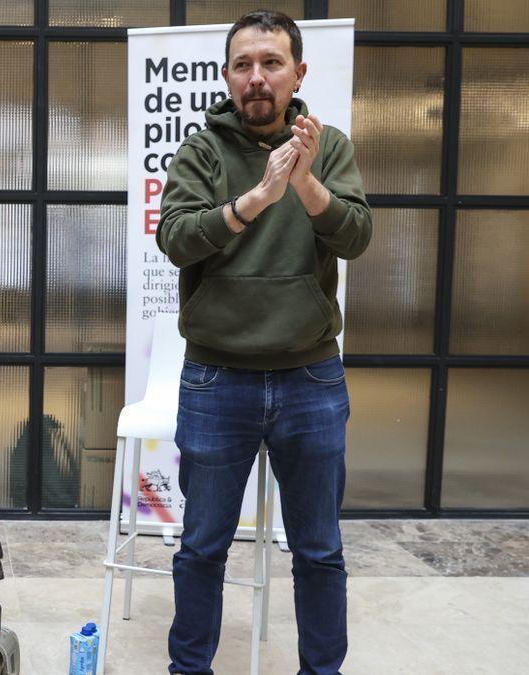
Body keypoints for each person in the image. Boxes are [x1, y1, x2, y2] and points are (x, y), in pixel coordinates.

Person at [156, 11, 372, 675]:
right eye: (243, 64)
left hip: (311, 378)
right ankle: (189, 668)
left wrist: (304, 182)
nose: (257, 77)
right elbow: (177, 239)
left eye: (271, 63)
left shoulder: (327, 145)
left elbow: (356, 236)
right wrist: (257, 196)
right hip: (217, 379)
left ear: (298, 73)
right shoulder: (202, 151)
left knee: (318, 549)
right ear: (226, 75)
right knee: (201, 546)